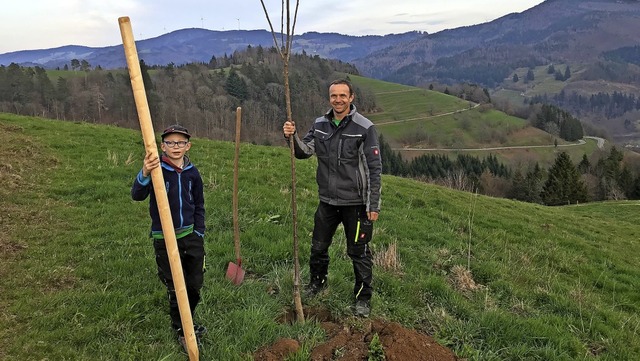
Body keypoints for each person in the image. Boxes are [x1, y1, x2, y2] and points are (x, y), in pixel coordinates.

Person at [283, 79, 382, 318]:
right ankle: (317, 283)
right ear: (329, 98)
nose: (338, 100)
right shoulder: (319, 124)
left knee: (359, 252)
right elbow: (304, 151)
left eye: (342, 96)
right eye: (334, 96)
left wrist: (373, 204)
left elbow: (374, 168)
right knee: (318, 247)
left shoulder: (364, 127)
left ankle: (363, 298)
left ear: (352, 98)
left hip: (356, 204)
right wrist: (291, 136)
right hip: (327, 200)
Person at [131, 124, 207, 349]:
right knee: (176, 286)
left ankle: (188, 320)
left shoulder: (193, 173)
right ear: (162, 146)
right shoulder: (157, 170)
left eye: (181, 142)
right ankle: (182, 329)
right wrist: (144, 172)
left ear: (188, 146)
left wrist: (199, 231)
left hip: (191, 237)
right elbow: (136, 195)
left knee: (193, 285)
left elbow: (199, 203)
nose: (176, 146)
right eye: (171, 142)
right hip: (165, 239)